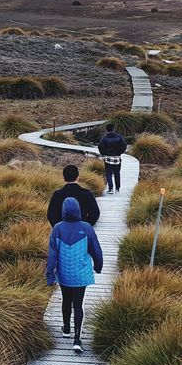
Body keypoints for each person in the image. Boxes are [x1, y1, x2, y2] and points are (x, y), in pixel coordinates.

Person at [46, 197, 104, 353]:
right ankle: (77, 340)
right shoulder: (86, 227)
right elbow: (96, 250)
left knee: (66, 300)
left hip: (64, 273)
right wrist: (98, 266)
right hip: (81, 273)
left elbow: (52, 255)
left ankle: (65, 329)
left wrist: (50, 275)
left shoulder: (57, 228)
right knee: (78, 305)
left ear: (63, 210)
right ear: (78, 209)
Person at [97, 123, 127, 194]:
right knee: (117, 173)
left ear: (106, 130)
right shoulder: (119, 137)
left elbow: (100, 146)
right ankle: (117, 188)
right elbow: (124, 146)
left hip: (108, 158)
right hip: (117, 158)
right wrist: (120, 152)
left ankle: (110, 188)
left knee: (109, 174)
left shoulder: (104, 138)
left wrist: (104, 153)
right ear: (113, 129)